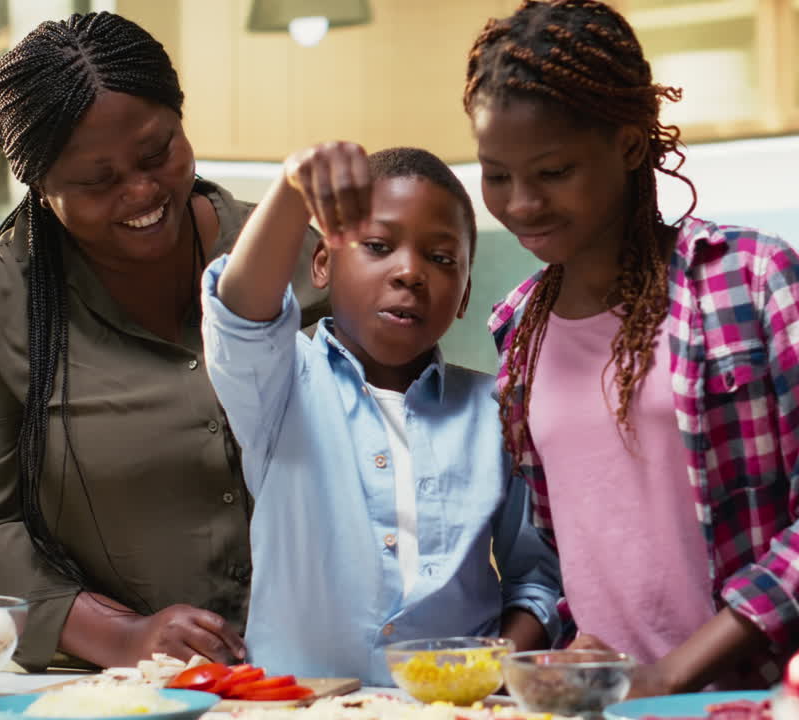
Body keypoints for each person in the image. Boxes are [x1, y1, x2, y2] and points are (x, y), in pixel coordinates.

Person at [457, 0, 799, 695]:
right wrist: (581, 656)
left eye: (553, 171)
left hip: (765, 694)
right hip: (606, 705)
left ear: (627, 146)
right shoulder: (518, 327)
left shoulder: (754, 278)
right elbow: (582, 552)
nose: (522, 202)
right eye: (497, 175)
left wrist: (667, 675)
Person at [0, 12, 326, 672]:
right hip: (118, 691)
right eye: (97, 181)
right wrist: (124, 636)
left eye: (158, 152)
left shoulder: (300, 258)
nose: (141, 192)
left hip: (341, 670)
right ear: (41, 187)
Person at [201, 141, 563, 684]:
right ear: (322, 261)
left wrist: (486, 675)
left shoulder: (497, 411)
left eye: (441, 259)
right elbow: (240, 315)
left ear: (464, 293)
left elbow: (537, 579)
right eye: (377, 245)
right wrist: (293, 190)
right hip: (298, 709)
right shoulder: (278, 383)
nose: (410, 273)